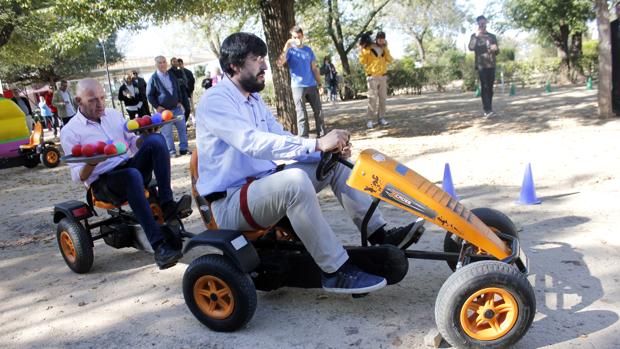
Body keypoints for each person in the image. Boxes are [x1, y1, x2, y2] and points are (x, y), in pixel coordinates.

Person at [196, 32, 422, 294]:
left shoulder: (253, 99)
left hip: (261, 188)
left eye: (264, 59)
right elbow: (252, 143)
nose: (265, 66)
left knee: (333, 163)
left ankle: (380, 235)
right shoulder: (216, 101)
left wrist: (326, 150)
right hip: (231, 203)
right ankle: (335, 270)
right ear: (234, 65)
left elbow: (281, 139)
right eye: (257, 59)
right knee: (294, 182)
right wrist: (316, 144)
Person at [60, 78, 188, 269]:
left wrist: (146, 136)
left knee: (156, 140)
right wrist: (92, 162)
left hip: (128, 167)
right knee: (131, 176)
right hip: (104, 182)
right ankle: (159, 247)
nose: (100, 104)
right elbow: (79, 176)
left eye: (102, 98)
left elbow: (132, 143)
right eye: (93, 100)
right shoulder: (70, 131)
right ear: (78, 101)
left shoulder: (112, 114)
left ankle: (167, 204)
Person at [277, 25, 325, 138]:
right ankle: (303, 139)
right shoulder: (289, 51)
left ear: (302, 36)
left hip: (312, 85)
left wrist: (320, 84)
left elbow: (314, 68)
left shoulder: (308, 50)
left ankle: (322, 136)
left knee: (319, 112)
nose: (297, 39)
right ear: (291, 38)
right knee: (301, 114)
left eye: (299, 37)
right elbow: (279, 63)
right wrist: (286, 47)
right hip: (297, 87)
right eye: (294, 37)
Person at [147, 55, 191, 157]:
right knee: (167, 132)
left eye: (164, 62)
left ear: (166, 63)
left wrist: (180, 100)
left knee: (182, 128)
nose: (162, 64)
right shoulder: (153, 79)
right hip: (164, 112)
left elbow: (178, 88)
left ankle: (184, 149)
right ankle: (171, 152)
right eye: (160, 63)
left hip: (177, 108)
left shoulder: (171, 75)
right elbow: (149, 95)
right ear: (156, 65)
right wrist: (157, 106)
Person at [359, 31, 393, 129]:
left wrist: (385, 48)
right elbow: (362, 61)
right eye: (379, 38)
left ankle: (381, 118)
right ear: (376, 38)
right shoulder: (369, 48)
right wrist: (362, 49)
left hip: (382, 76)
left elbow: (390, 59)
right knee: (372, 99)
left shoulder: (384, 48)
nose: (381, 40)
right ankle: (369, 120)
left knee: (383, 98)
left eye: (383, 38)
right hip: (372, 77)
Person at [468, 15, 500, 118]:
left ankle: (489, 108)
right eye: (480, 23)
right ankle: (487, 110)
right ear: (478, 24)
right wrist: (476, 37)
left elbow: (497, 52)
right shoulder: (474, 36)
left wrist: (496, 49)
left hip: (491, 64)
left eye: (483, 23)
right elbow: (471, 47)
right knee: (484, 87)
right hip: (481, 65)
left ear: (486, 22)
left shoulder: (492, 36)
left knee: (490, 88)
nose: (482, 25)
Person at [169, 57, 192, 126]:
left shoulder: (180, 70)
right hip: (175, 94)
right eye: (174, 61)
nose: (176, 63)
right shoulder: (169, 72)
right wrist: (179, 81)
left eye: (176, 61)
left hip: (183, 91)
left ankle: (183, 123)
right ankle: (180, 125)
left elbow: (185, 80)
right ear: (171, 63)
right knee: (177, 111)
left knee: (188, 109)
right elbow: (172, 82)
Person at [177, 58, 196, 124]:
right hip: (182, 93)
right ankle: (187, 120)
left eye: (180, 64)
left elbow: (192, 81)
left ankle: (193, 118)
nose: (179, 66)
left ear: (182, 64)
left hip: (189, 91)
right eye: (178, 64)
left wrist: (191, 90)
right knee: (185, 107)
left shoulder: (188, 72)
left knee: (191, 105)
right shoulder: (177, 73)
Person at [611, 2, 620, 116]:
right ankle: (617, 108)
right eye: (618, 9)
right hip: (615, 59)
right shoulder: (612, 25)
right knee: (617, 83)